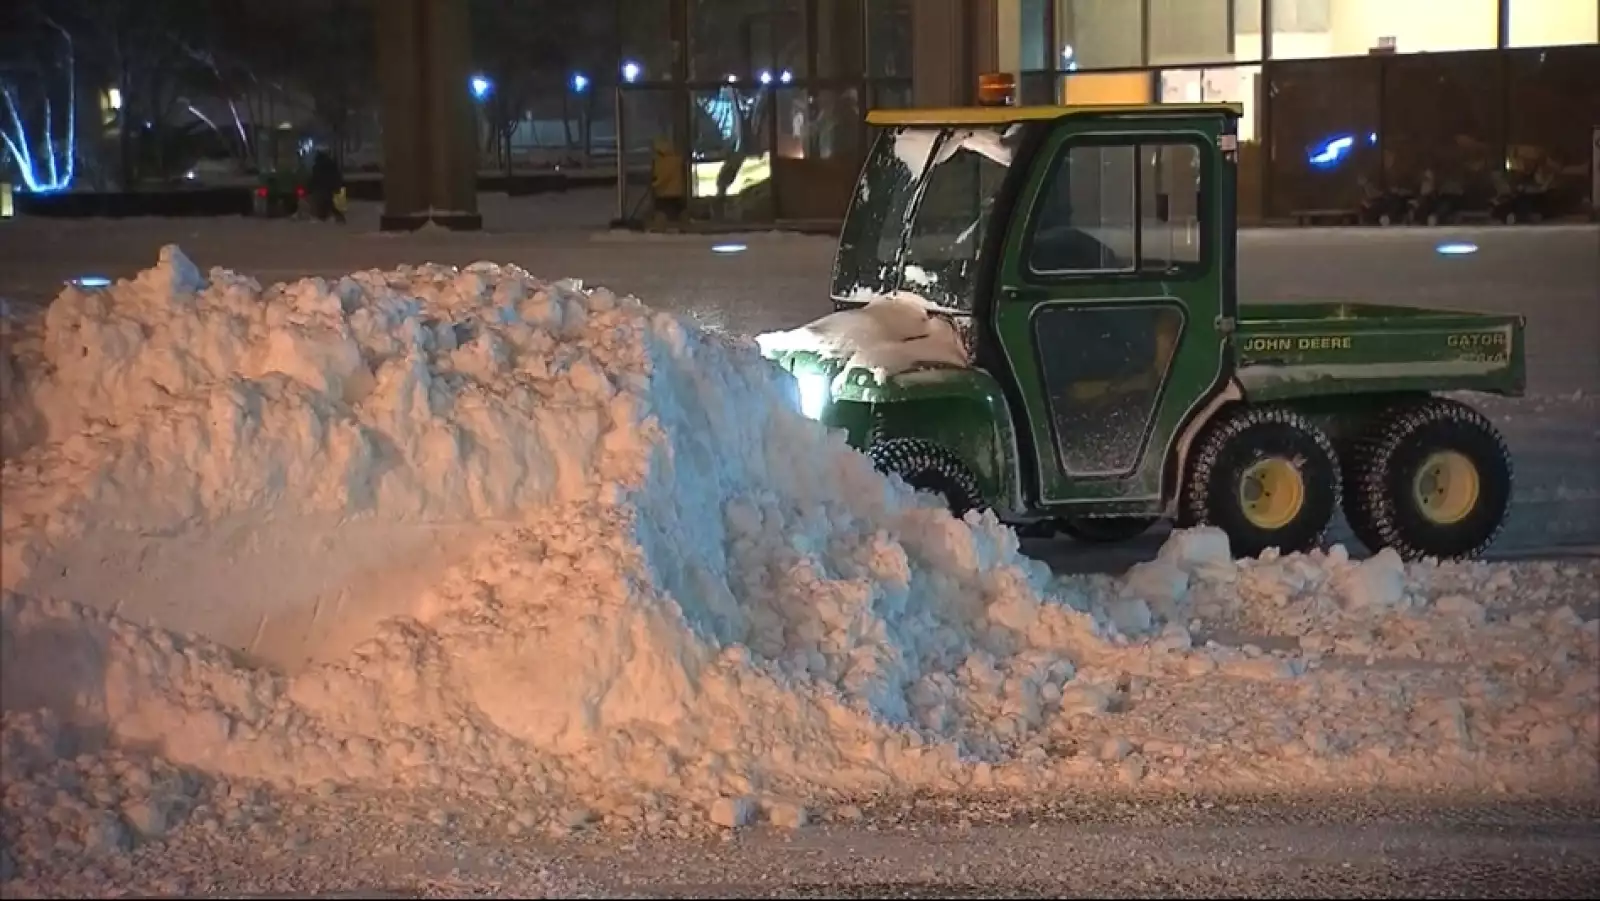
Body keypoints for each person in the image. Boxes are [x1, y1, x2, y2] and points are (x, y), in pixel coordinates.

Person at [650, 136, 685, 225]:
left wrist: (654, 184)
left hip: (666, 195)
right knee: (674, 218)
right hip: (676, 193)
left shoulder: (665, 161)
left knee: (664, 216)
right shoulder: (675, 159)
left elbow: (663, 177)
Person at [307, 147, 345, 223]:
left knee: (323, 202)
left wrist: (311, 188)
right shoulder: (331, 163)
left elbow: (314, 178)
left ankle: (325, 216)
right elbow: (336, 175)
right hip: (328, 187)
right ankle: (335, 216)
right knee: (328, 202)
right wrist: (337, 185)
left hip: (320, 187)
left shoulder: (317, 165)